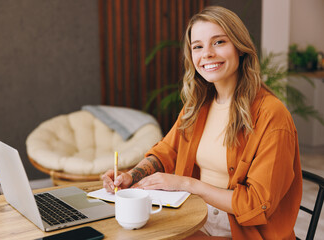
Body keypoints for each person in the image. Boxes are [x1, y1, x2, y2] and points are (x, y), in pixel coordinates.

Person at [102, 6, 302, 240]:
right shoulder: (197, 106)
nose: (206, 53)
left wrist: (186, 184)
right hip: (197, 215)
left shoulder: (272, 115)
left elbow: (256, 204)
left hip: (244, 231)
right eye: (197, 46)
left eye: (218, 42)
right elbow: (167, 151)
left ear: (240, 48)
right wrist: (132, 176)